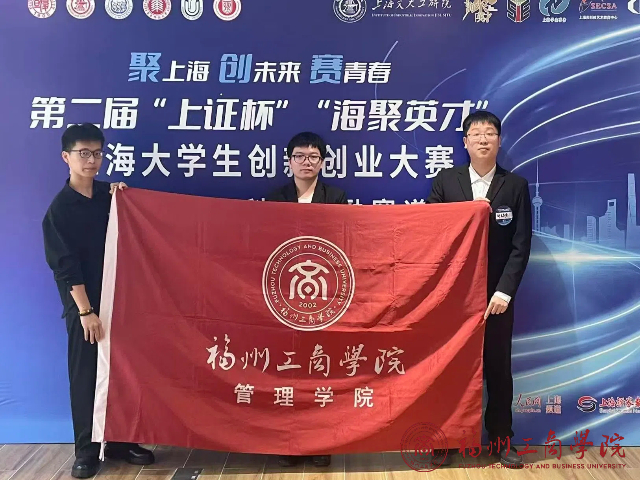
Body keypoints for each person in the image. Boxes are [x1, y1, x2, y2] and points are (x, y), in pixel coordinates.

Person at [42, 124, 155, 478]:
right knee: (86, 375)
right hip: (85, 307)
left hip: (121, 299)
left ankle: (120, 441)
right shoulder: (60, 209)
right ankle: (86, 450)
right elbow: (65, 265)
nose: (91, 160)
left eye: (97, 153)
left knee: (123, 371)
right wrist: (86, 311)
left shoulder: (110, 195)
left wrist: (122, 196)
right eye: (83, 153)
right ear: (67, 157)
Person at [426, 111, 532, 469]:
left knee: (498, 369)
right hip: (453, 296)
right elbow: (431, 232)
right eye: (476, 134)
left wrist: (504, 292)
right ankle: (445, 439)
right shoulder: (446, 181)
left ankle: (501, 439)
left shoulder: (515, 185)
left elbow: (521, 245)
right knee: (450, 368)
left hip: (495, 297)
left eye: (490, 133)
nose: (483, 139)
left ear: (499, 141)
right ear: (465, 142)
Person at [266, 132, 347, 467]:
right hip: (284, 295)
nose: (306, 162)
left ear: (323, 162)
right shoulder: (276, 198)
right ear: (289, 162)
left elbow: (343, 239)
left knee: (319, 368)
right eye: (299, 156)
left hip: (325, 296)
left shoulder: (336, 197)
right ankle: (288, 442)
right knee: (287, 370)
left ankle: (319, 442)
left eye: (313, 157)